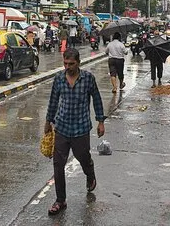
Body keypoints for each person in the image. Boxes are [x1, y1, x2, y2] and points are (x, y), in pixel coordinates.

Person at [45, 48, 105, 216]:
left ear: (78, 63)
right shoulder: (59, 79)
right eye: (65, 63)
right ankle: (60, 200)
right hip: (62, 128)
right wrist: (48, 121)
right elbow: (53, 101)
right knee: (58, 164)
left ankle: (90, 173)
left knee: (83, 158)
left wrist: (100, 121)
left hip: (81, 128)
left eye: (71, 64)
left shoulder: (88, 78)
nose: (67, 67)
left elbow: (97, 99)